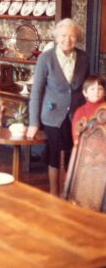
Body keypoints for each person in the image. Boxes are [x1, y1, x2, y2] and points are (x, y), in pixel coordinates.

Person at [26, 18, 89, 196]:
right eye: (63, 35)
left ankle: (68, 193)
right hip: (53, 116)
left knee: (72, 155)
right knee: (56, 155)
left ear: (77, 38)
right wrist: (33, 123)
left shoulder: (83, 57)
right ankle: (55, 194)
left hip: (77, 116)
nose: (67, 40)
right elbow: (36, 91)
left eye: (72, 36)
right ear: (56, 37)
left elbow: (86, 87)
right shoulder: (46, 58)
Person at [72, 74, 106, 141]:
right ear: (85, 93)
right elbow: (76, 137)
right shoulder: (80, 111)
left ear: (104, 92)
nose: (96, 92)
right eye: (92, 89)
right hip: (87, 148)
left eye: (100, 89)